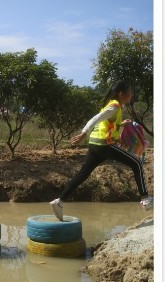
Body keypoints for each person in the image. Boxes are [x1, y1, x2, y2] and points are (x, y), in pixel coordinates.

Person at [49, 81, 152, 220]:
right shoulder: (114, 106)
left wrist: (121, 124)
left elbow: (106, 123)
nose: (132, 94)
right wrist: (83, 134)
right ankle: (145, 199)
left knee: (83, 174)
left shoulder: (113, 106)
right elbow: (95, 119)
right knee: (137, 163)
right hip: (105, 144)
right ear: (122, 94)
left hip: (95, 144)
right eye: (130, 92)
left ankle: (59, 202)